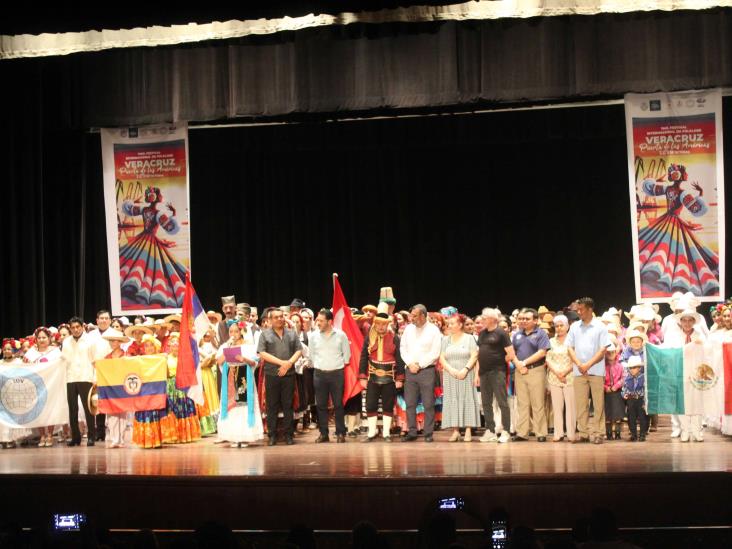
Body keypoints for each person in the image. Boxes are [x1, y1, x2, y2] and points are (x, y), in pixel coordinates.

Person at [567, 297, 611, 444]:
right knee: (581, 404)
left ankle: (599, 433)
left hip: (596, 371)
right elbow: (569, 347)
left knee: (598, 404)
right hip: (579, 371)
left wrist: (588, 364)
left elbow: (603, 349)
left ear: (590, 309)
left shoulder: (600, 327)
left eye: (582, 309)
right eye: (577, 309)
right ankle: (583, 433)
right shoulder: (574, 327)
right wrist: (580, 364)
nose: (579, 312)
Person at [358, 305, 404, 442]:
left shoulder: (395, 338)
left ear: (387, 324)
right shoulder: (369, 338)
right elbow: (363, 358)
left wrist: (400, 378)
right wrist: (362, 376)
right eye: (378, 324)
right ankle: (371, 433)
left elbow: (400, 359)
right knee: (370, 404)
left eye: (383, 324)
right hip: (372, 377)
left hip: (389, 378)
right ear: (375, 324)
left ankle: (386, 433)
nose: (381, 327)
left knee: (388, 405)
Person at [257, 308, 302, 446]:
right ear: (270, 320)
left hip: (288, 374)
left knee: (288, 405)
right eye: (276, 317)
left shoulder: (291, 333)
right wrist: (281, 363)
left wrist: (288, 363)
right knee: (272, 406)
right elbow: (262, 353)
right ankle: (272, 435)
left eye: (282, 316)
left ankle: (289, 435)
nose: (280, 319)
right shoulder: (265, 335)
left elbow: (299, 350)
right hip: (272, 374)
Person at [216, 322, 263, 448]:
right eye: (231, 332)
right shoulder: (225, 346)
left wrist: (244, 359)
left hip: (243, 376)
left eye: (236, 331)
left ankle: (245, 436)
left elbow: (254, 363)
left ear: (241, 332)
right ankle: (233, 437)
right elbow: (219, 361)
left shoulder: (248, 346)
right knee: (232, 407)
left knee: (244, 407)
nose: (233, 334)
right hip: (230, 377)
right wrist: (228, 350)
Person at [400, 304, 441, 442]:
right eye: (411, 315)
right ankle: (412, 432)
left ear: (423, 315)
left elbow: (435, 352)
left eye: (415, 316)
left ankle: (428, 433)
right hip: (410, 370)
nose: (412, 318)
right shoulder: (408, 329)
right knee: (410, 403)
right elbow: (403, 348)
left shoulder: (434, 330)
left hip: (427, 370)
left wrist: (420, 365)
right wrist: (410, 364)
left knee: (428, 403)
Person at [309, 309, 351, 443]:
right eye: (317, 320)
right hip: (319, 374)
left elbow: (347, 356)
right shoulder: (313, 336)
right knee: (321, 405)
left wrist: (336, 366)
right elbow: (311, 355)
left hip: (336, 374)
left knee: (338, 404)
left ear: (329, 321)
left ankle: (340, 433)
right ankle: (323, 434)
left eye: (321, 320)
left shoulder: (341, 335)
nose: (318, 322)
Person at [476, 308, 516, 443]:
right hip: (484, 373)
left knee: (502, 402)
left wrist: (500, 361)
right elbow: (478, 354)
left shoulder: (501, 333)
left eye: (484, 317)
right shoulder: (482, 334)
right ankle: (491, 431)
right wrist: (477, 374)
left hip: (497, 372)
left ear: (493, 319)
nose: (482, 320)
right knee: (486, 403)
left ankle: (505, 431)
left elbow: (510, 353)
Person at [511, 308, 551, 442]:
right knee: (522, 403)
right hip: (519, 371)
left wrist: (524, 363)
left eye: (527, 319)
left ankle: (540, 433)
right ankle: (522, 433)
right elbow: (512, 352)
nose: (523, 321)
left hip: (536, 370)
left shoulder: (541, 334)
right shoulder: (517, 335)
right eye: (521, 319)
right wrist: (518, 364)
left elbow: (542, 352)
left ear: (535, 320)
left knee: (538, 403)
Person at [440, 314, 480, 442]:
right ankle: (456, 431)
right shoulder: (445, 340)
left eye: (452, 323)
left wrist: (466, 369)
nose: (449, 326)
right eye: (449, 323)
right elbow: (441, 357)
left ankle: (468, 430)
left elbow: (474, 356)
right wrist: (450, 369)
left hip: (466, 374)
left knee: (467, 399)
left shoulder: (469, 339)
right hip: (450, 375)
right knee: (452, 400)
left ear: (460, 325)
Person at [60, 317, 97, 446]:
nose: (75, 329)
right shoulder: (66, 342)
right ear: (70, 328)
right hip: (70, 378)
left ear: (82, 327)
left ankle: (91, 436)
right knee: (72, 409)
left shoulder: (90, 340)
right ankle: (75, 437)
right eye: (73, 327)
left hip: (85, 377)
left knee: (88, 409)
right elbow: (63, 360)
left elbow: (95, 360)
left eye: (78, 327)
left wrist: (95, 378)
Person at [98, 328, 131, 448]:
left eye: (115, 341)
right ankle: (113, 439)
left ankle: (121, 439)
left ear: (120, 342)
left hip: (122, 388)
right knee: (111, 414)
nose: (112, 343)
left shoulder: (126, 355)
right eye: (111, 341)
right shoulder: (107, 357)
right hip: (110, 388)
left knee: (122, 414)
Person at [546, 314, 576, 442]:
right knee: (557, 407)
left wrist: (564, 372)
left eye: (561, 325)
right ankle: (558, 433)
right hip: (554, 377)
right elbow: (548, 358)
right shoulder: (551, 341)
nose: (559, 328)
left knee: (571, 407)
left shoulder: (573, 340)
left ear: (567, 326)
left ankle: (571, 433)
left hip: (570, 376)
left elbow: (576, 359)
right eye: (556, 326)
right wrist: (558, 373)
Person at [132, 334, 165, 449]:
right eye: (146, 346)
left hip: (155, 392)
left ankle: (155, 440)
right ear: (143, 348)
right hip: (143, 392)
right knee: (144, 415)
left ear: (155, 347)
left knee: (155, 415)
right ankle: (145, 440)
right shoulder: (139, 360)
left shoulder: (160, 359)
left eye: (151, 345)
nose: (149, 348)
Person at [1, 339, 31, 448]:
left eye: (9, 349)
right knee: (4, 418)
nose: (7, 351)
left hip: (16, 393)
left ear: (14, 350)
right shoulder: (1, 363)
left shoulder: (19, 362)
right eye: (5, 349)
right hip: (4, 393)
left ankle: (14, 438)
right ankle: (5, 439)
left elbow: (27, 373)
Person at [622, 355, 648, 441]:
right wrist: (624, 394)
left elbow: (646, 390)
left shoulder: (644, 378)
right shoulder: (627, 378)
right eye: (630, 368)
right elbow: (624, 388)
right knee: (631, 418)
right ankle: (633, 434)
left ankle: (642, 434)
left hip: (640, 399)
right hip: (631, 400)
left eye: (634, 367)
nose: (632, 370)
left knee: (642, 418)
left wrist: (645, 402)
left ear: (639, 368)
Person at [604, 339, 625, 441]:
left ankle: (617, 433)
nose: (610, 354)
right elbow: (601, 379)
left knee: (618, 413)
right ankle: (608, 433)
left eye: (612, 352)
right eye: (608, 352)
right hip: (607, 393)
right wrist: (606, 387)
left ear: (615, 352)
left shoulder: (620, 366)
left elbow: (623, 378)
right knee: (608, 414)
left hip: (617, 392)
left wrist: (616, 386)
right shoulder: (602, 367)